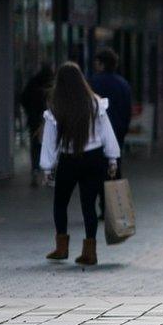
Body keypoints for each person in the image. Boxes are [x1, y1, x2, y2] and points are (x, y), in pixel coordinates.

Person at [41, 62, 120, 266]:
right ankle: (90, 251)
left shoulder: (56, 105)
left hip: (69, 159)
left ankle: (61, 247)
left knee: (60, 203)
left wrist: (47, 167)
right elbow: (107, 133)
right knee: (89, 206)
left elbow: (49, 141)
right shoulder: (94, 103)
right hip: (94, 159)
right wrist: (112, 158)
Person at [89, 48, 132, 217]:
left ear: (101, 63)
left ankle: (100, 206)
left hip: (97, 135)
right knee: (115, 169)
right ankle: (115, 207)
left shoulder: (93, 83)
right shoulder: (123, 84)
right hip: (117, 133)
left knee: (96, 171)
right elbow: (127, 110)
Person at [20, 63, 54, 183]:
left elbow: (23, 98)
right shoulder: (49, 86)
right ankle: (48, 170)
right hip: (47, 120)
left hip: (34, 120)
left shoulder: (32, 84)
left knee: (35, 144)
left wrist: (29, 111)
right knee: (49, 144)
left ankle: (35, 168)